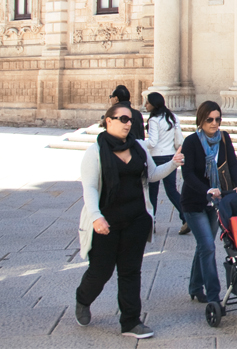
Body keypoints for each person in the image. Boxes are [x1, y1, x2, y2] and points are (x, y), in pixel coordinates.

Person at [75, 103, 184, 338]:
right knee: (100, 272)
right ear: (108, 121)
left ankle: (131, 322)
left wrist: (173, 163)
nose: (128, 123)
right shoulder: (94, 152)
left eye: (131, 120)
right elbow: (90, 189)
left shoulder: (139, 148)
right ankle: (82, 299)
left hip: (135, 220)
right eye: (122, 119)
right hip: (105, 223)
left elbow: (152, 175)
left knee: (130, 272)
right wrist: (96, 217)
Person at [181, 100, 237, 306]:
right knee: (208, 245)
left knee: (205, 245)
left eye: (218, 119)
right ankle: (212, 295)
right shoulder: (191, 142)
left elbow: (233, 164)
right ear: (200, 120)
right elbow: (188, 174)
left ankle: (194, 286)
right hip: (194, 202)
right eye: (209, 119)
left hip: (216, 202)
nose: (214, 123)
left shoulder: (224, 139)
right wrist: (206, 189)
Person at [145, 92, 188, 235]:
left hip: (156, 158)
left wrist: (138, 144)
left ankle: (151, 222)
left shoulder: (154, 120)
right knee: (171, 190)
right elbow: (178, 139)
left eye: (148, 102)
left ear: (154, 104)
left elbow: (152, 142)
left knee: (152, 191)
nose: (145, 104)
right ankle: (186, 216)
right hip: (170, 157)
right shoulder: (172, 117)